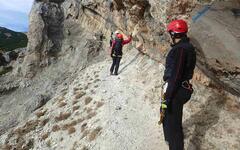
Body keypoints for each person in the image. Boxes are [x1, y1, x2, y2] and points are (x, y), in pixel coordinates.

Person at [162, 19, 196, 150]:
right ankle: (169, 140)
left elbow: (176, 75)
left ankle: (175, 145)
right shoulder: (184, 47)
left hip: (176, 90)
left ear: (174, 34)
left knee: (174, 125)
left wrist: (168, 96)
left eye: (170, 33)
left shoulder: (181, 49)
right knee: (167, 116)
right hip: (176, 87)